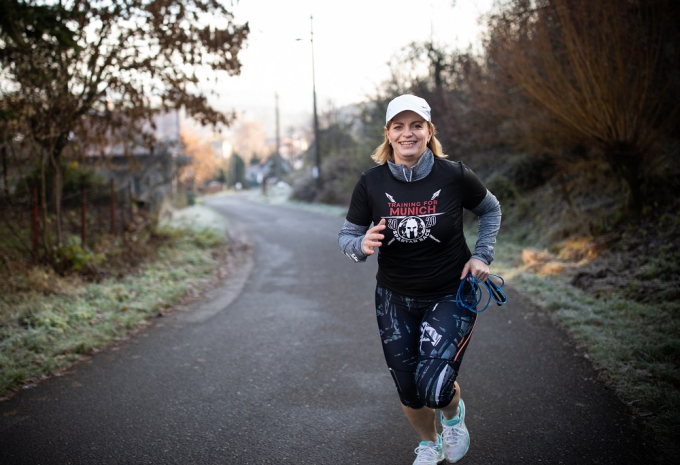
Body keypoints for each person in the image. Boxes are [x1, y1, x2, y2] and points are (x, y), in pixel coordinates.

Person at [338, 94, 501, 464]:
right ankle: (430, 444)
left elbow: (490, 209)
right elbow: (346, 237)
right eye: (399, 126)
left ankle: (453, 417)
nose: (407, 133)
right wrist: (361, 245)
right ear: (388, 133)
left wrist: (481, 255)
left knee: (436, 386)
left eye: (416, 126)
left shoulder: (454, 174)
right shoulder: (371, 183)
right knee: (409, 388)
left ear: (429, 131)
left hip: (450, 293)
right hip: (394, 299)